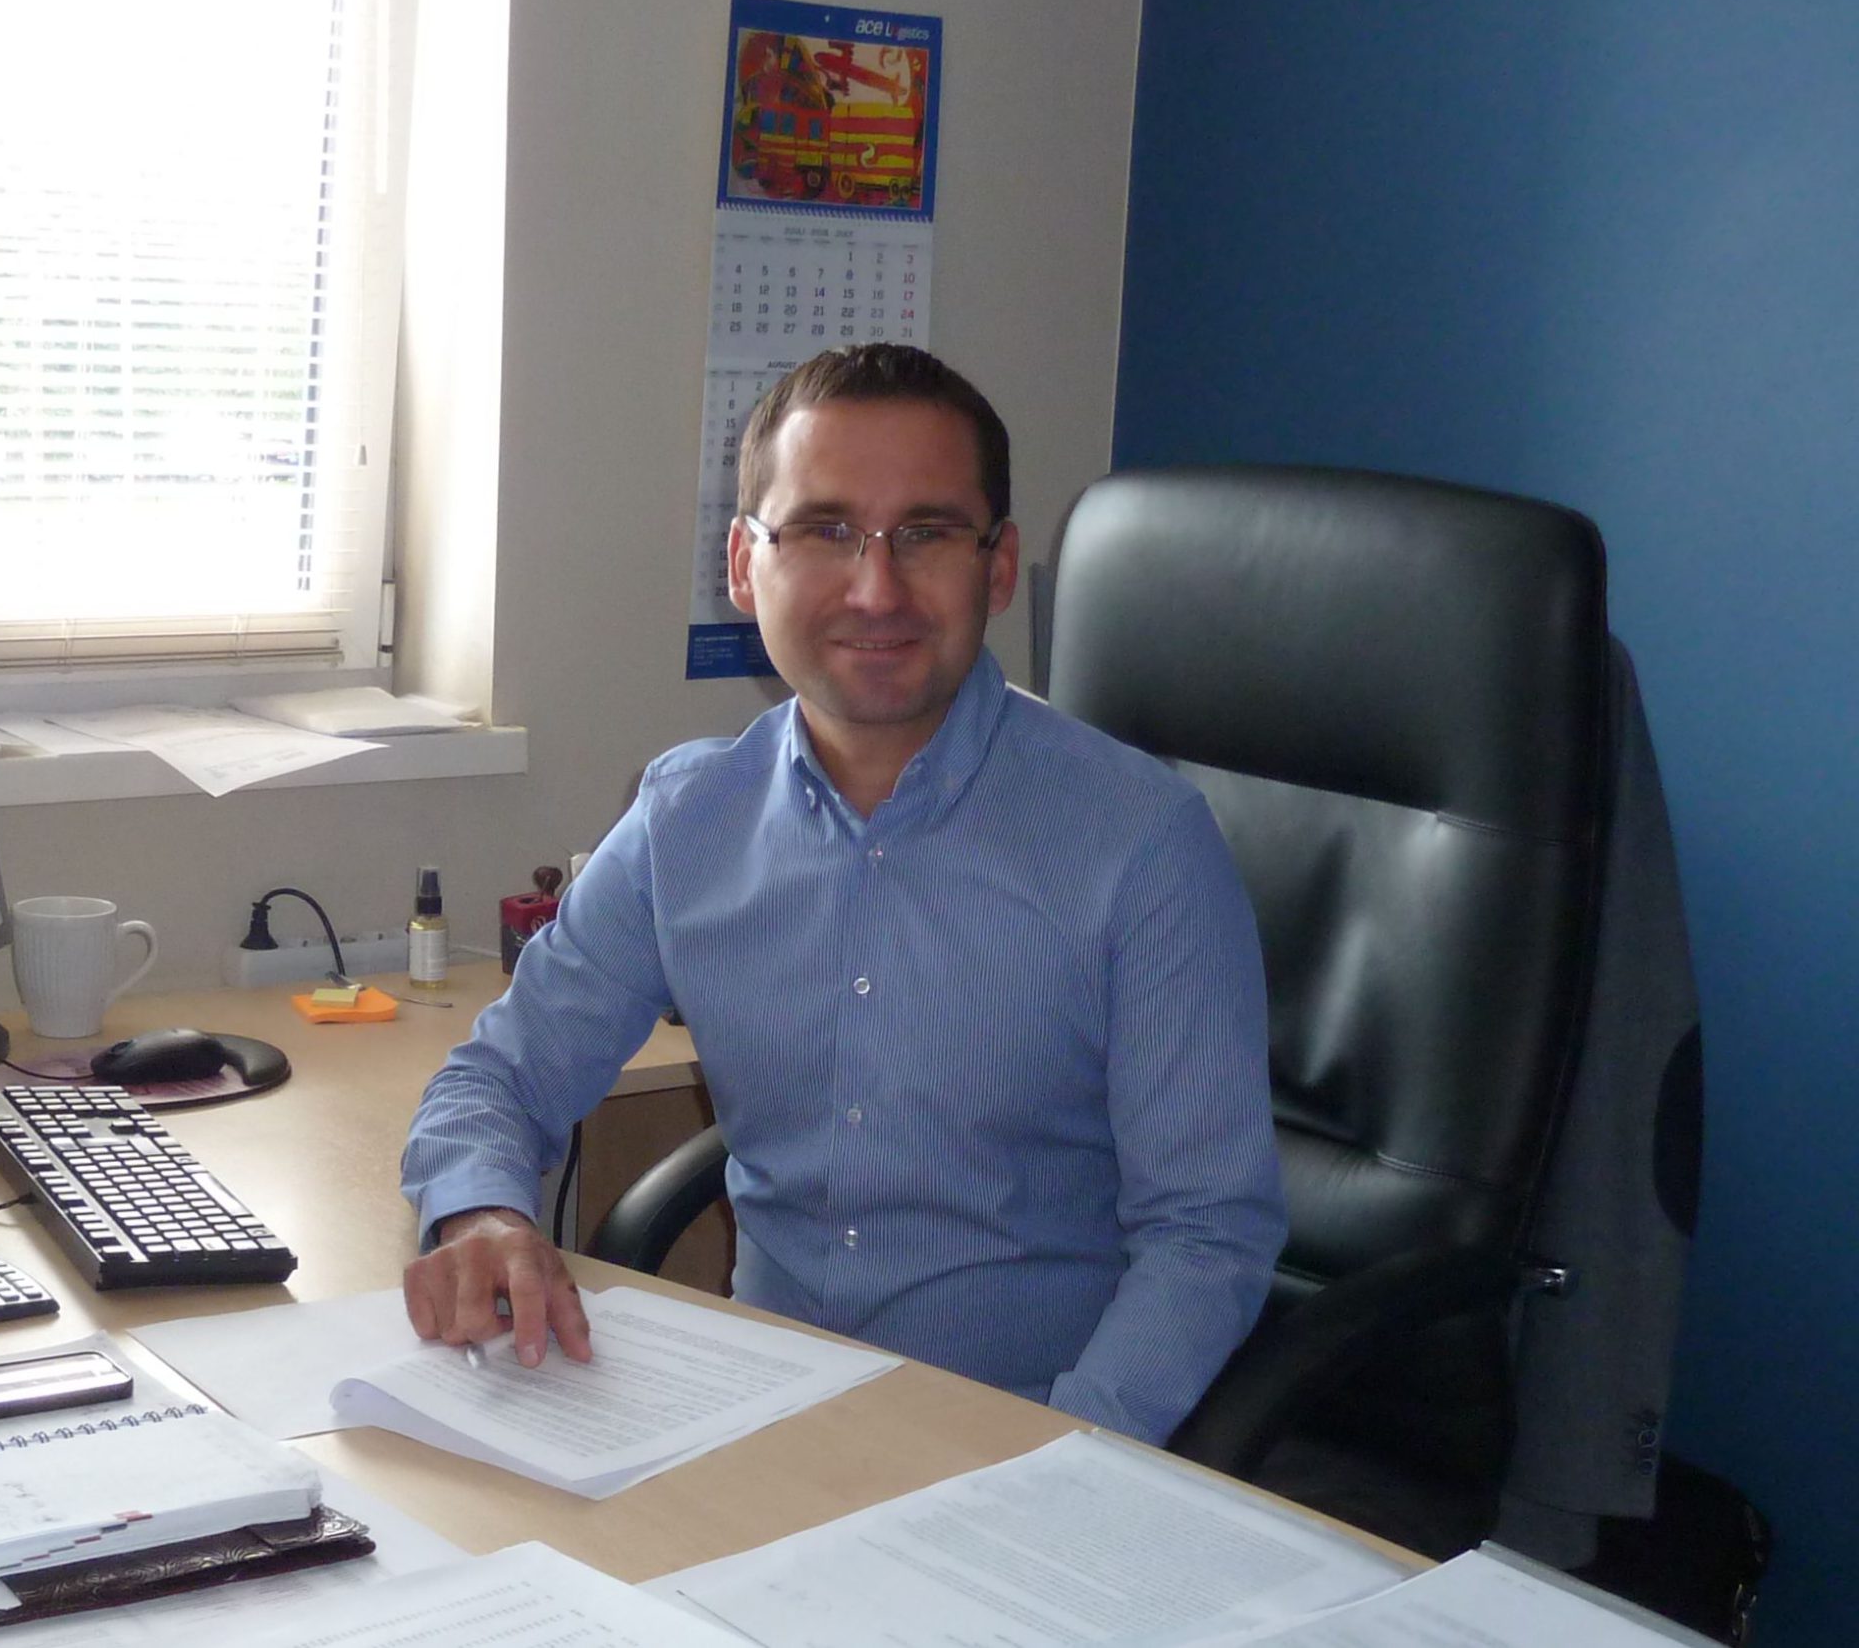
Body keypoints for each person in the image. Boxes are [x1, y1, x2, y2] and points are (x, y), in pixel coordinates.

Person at [398, 343, 1284, 1444]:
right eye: (823, 530)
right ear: (742, 564)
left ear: (998, 568)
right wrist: (484, 1216)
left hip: (1025, 1434)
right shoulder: (687, 819)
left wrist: (1065, 1460)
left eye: (926, 533)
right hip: (758, 1420)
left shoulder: (1140, 843)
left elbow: (1207, 1233)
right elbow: (498, 1077)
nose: (876, 589)